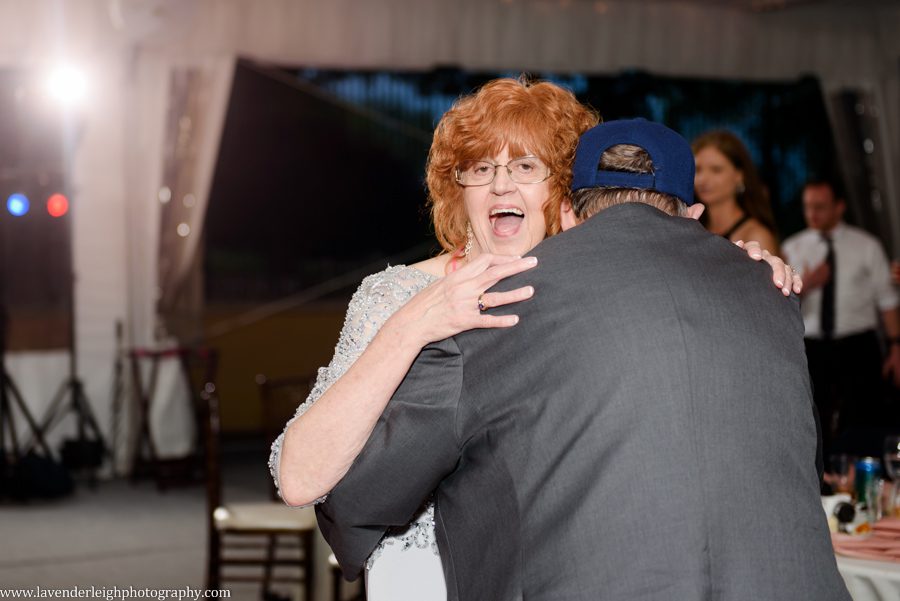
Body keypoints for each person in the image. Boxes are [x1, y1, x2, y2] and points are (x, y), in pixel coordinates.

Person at [269, 80, 801, 601]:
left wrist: (741, 275)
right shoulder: (397, 293)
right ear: (459, 188)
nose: (502, 186)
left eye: (525, 167)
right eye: (481, 169)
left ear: (563, 194)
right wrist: (412, 326)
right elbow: (299, 479)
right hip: (423, 578)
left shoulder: (593, 297)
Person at [783, 180, 900, 459]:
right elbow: (778, 304)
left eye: (820, 207)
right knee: (813, 418)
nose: (813, 213)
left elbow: (887, 301)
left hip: (858, 345)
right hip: (810, 346)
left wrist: (896, 346)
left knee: (864, 418)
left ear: (839, 207)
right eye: (808, 207)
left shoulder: (867, 245)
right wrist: (808, 284)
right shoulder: (792, 246)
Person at [692, 130, 780, 254]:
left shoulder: (756, 235)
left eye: (716, 170)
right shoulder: (693, 229)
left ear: (739, 176)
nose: (703, 179)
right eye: (698, 169)